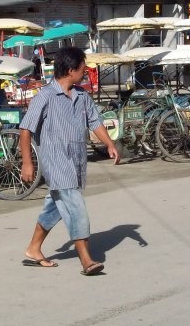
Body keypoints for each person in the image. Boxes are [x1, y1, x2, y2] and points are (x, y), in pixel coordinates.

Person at [19, 47, 119, 276]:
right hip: (55, 162)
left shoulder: (82, 97)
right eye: (83, 69)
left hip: (76, 162)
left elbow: (95, 122)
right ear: (71, 70)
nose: (85, 73)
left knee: (55, 206)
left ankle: (34, 249)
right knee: (76, 206)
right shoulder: (45, 96)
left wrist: (110, 145)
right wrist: (27, 163)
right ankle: (86, 260)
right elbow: (25, 130)